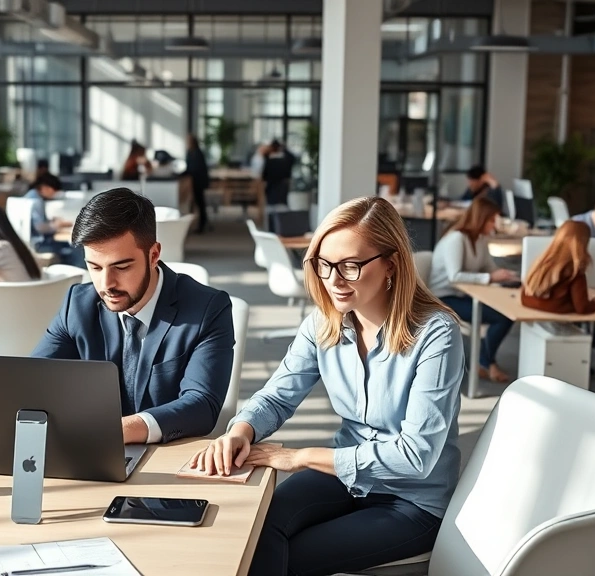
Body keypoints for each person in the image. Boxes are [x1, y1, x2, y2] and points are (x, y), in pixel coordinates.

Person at [190, 197, 463, 576]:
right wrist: (241, 430)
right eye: (323, 264)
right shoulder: (325, 323)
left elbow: (416, 456)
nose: (333, 280)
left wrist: (298, 458)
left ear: (392, 264)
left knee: (290, 557)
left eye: (350, 266)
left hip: (411, 501)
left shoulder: (436, 334)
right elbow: (276, 396)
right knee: (252, 533)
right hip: (344, 480)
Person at [31, 188, 235, 444]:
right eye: (94, 267)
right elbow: (34, 380)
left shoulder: (207, 309)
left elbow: (202, 404)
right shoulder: (78, 304)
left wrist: (117, 431)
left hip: (164, 461)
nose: (106, 284)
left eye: (122, 267)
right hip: (89, 453)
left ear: (154, 255)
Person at [429, 196, 518, 383]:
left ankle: (485, 359)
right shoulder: (456, 239)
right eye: (492, 220)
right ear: (481, 219)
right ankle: (486, 360)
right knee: (502, 317)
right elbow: (455, 276)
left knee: (507, 314)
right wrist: (490, 278)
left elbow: (489, 267)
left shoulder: (480, 240)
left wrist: (508, 275)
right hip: (444, 297)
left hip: (463, 294)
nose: (494, 225)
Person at [521, 221, 595, 314]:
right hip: (559, 318)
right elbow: (582, 309)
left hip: (534, 316)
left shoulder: (541, 263)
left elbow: (525, 298)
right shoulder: (574, 271)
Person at [22, 173, 69, 253]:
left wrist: (51, 222)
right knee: (70, 249)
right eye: (54, 191)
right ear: (45, 188)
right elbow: (40, 227)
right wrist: (57, 225)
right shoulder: (36, 201)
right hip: (36, 244)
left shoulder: (31, 195)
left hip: (27, 242)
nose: (54, 194)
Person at [183, 134, 211, 234]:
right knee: (197, 203)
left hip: (198, 181)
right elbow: (189, 168)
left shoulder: (197, 153)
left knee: (200, 203)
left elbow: (196, 169)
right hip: (194, 181)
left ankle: (202, 224)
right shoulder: (190, 153)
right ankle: (201, 223)